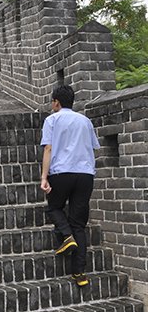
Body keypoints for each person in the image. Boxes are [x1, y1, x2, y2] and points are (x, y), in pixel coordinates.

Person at [40, 84, 100, 287]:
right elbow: (93, 151)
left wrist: (44, 177)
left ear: (56, 102)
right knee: (79, 224)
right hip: (85, 175)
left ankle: (66, 236)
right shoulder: (85, 121)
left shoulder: (52, 120)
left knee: (55, 207)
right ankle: (79, 274)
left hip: (62, 173)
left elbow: (48, 148)